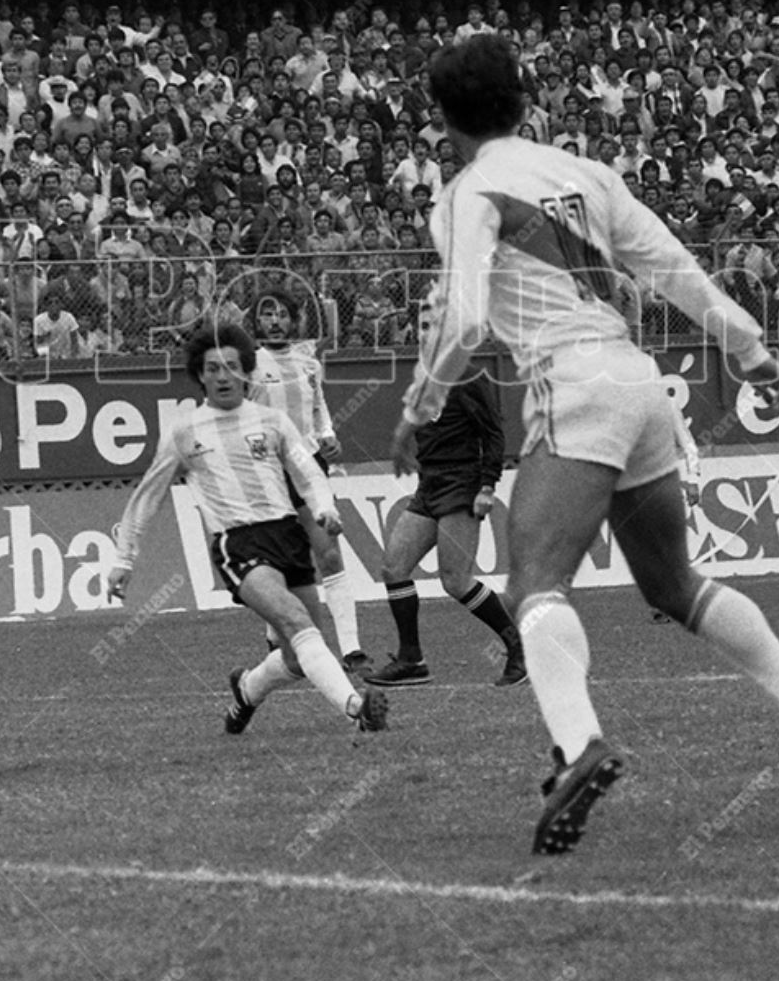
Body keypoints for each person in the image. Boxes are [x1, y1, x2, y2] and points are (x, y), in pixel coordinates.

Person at [393, 36, 779, 855]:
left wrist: (423, 399)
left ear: (444, 118)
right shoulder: (587, 173)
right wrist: (752, 351)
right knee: (673, 582)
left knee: (534, 581)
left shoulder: (470, 192)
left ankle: (578, 747)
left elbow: (466, 319)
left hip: (572, 384)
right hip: (641, 386)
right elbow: (676, 269)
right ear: (521, 99)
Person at [108, 323, 389, 737]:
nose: (222, 376)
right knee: (295, 620)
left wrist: (324, 508)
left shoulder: (272, 421)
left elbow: (307, 471)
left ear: (246, 373)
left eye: (231, 367)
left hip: (287, 536)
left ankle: (246, 689)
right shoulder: (185, 431)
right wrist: (123, 559)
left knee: (297, 657)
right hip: (238, 543)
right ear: (199, 375)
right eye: (212, 368)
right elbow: (147, 496)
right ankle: (355, 708)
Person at [364, 289, 523, 690]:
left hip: (462, 485)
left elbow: (494, 434)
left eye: (432, 325)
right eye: (419, 325)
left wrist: (487, 485)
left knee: (455, 581)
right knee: (393, 568)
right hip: (429, 485)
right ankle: (411, 659)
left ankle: (519, 649)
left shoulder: (466, 375)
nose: (424, 332)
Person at [247, 289, 367, 671]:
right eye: (268, 314)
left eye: (283, 314)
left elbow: (319, 407)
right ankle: (274, 641)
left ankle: (351, 650)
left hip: (308, 465)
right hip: (267, 469)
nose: (276, 320)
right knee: (278, 560)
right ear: (257, 322)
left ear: (294, 320)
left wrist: (328, 435)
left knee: (328, 552)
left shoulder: (308, 360)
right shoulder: (247, 363)